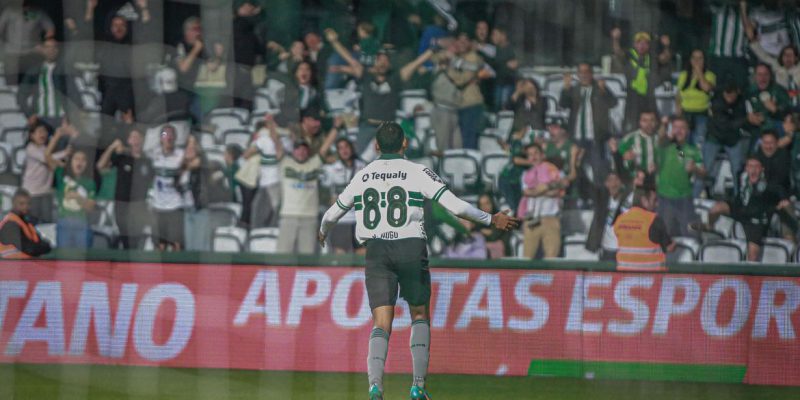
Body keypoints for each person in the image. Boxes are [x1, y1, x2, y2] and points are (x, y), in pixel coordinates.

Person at [318, 122, 519, 400]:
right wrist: (491, 218)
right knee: (420, 315)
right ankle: (418, 386)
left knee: (380, 323)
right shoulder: (417, 171)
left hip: (376, 250)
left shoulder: (362, 176)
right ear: (405, 145)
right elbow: (457, 206)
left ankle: (375, 387)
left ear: (376, 146)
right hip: (410, 247)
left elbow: (331, 215)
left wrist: (323, 233)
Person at [324, 28, 434, 154]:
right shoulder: (365, 76)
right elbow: (350, 60)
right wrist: (334, 42)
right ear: (374, 62)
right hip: (367, 127)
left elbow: (415, 64)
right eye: (379, 59)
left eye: (386, 60)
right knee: (360, 159)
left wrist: (431, 51)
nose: (382, 63)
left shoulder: (395, 79)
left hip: (388, 129)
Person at [697, 157, 791, 261]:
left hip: (756, 218)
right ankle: (709, 226)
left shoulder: (768, 184)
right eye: (750, 166)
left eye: (756, 167)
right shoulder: (741, 177)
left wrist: (784, 199)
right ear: (746, 168)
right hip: (740, 208)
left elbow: (779, 190)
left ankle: (749, 275)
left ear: (762, 169)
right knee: (715, 208)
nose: (753, 170)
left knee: (753, 253)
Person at [96, 128, 154, 250]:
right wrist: (112, 147)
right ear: (128, 141)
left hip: (139, 205)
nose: (135, 140)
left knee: (137, 237)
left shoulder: (147, 161)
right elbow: (100, 166)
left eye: (138, 137)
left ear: (143, 140)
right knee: (124, 234)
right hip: (122, 204)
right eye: (133, 137)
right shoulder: (122, 157)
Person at [610, 28, 673, 131]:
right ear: (635, 44)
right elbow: (617, 52)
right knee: (631, 127)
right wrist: (616, 40)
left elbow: (665, 58)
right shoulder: (629, 55)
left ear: (648, 46)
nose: (642, 46)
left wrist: (666, 46)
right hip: (632, 98)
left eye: (645, 43)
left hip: (649, 97)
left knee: (652, 126)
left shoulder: (652, 58)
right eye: (639, 43)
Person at [656, 117, 705, 237]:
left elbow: (703, 173)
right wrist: (664, 123)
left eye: (682, 128)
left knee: (691, 234)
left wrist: (695, 168)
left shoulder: (693, 151)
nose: (679, 131)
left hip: (685, 198)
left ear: (688, 131)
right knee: (664, 234)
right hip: (664, 197)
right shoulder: (663, 147)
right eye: (676, 128)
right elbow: (659, 138)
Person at [517, 143, 565, 259]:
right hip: (531, 219)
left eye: (535, 153)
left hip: (550, 219)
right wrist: (546, 188)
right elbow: (527, 193)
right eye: (530, 155)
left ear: (542, 155)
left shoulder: (553, 170)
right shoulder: (525, 175)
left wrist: (541, 189)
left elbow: (557, 191)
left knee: (552, 258)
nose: (533, 157)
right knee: (527, 258)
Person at [16, 39, 76, 130]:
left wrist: (70, 117)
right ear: (42, 50)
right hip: (40, 118)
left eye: (53, 47)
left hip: (61, 118)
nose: (50, 50)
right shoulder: (34, 71)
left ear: (57, 50)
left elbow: (74, 94)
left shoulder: (65, 71)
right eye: (47, 47)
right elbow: (21, 95)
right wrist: (29, 114)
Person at [276, 139, 323, 255]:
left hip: (310, 217)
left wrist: (336, 128)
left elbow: (324, 149)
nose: (301, 152)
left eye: (304, 149)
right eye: (298, 149)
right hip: (288, 216)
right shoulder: (285, 162)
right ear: (293, 151)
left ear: (308, 152)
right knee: (282, 256)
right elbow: (277, 144)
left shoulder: (314, 163)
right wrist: (271, 123)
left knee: (307, 256)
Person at [321, 137, 367, 254]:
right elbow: (322, 191)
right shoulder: (331, 169)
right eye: (340, 148)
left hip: (359, 220)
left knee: (362, 255)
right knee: (340, 256)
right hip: (340, 221)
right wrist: (328, 199)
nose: (344, 150)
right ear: (337, 152)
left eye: (346, 147)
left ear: (351, 148)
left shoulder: (363, 167)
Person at [47, 145, 96, 249]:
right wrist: (65, 153)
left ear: (87, 164)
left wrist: (78, 197)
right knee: (64, 259)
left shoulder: (90, 183)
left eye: (83, 160)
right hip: (64, 222)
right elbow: (47, 156)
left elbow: (90, 208)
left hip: (82, 224)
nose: (80, 162)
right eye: (76, 159)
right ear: (71, 161)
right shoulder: (61, 175)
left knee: (83, 261)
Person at [613, 187, 672, 271]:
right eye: (654, 200)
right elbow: (669, 247)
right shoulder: (654, 220)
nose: (657, 204)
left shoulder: (620, 219)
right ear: (644, 200)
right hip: (652, 277)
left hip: (624, 276)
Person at [22, 123, 69, 223]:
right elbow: (46, 158)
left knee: (47, 222)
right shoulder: (30, 148)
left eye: (44, 131)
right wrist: (65, 153)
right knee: (33, 222)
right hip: (32, 192)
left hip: (46, 191)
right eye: (39, 132)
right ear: (32, 136)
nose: (43, 134)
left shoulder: (46, 149)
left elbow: (53, 161)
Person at [0, 2, 55, 85]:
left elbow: (50, 29)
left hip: (31, 53)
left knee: (30, 84)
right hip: (11, 53)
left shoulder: (38, 13)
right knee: (11, 83)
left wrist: (44, 44)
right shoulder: (9, 11)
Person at [705, 83, 748, 187]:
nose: (730, 97)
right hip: (715, 138)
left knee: (737, 170)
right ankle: (699, 197)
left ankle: (739, 198)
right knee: (705, 169)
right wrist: (745, 120)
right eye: (727, 94)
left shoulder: (742, 102)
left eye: (732, 94)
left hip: (733, 140)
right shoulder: (716, 103)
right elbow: (725, 124)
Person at [149, 125, 185, 251]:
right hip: (158, 206)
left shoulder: (181, 155)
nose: (168, 137)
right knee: (159, 244)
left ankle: (178, 269)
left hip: (175, 206)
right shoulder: (154, 154)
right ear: (160, 138)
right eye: (165, 134)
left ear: (175, 137)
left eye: (171, 135)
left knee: (176, 243)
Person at [586, 171, 632, 261]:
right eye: (610, 180)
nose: (613, 183)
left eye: (616, 180)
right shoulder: (602, 202)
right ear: (606, 183)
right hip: (606, 249)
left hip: (623, 249)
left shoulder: (628, 201)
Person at [675, 49, 716, 148]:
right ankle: (682, 161)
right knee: (682, 143)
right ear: (690, 60)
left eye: (700, 58)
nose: (697, 61)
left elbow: (706, 88)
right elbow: (678, 94)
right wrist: (678, 112)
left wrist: (699, 72)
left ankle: (696, 162)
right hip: (685, 113)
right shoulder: (683, 75)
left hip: (701, 114)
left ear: (704, 60)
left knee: (698, 142)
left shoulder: (710, 75)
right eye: (694, 58)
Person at [180, 135, 212, 251]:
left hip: (199, 209)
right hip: (186, 210)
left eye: (193, 146)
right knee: (189, 248)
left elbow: (204, 163)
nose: (190, 148)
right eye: (188, 146)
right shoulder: (182, 168)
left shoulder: (202, 165)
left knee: (200, 248)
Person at [0, 189, 52, 259]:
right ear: (13, 203)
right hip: (13, 266)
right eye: (21, 204)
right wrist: (44, 247)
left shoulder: (25, 222)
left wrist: (45, 246)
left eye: (28, 203)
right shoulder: (10, 224)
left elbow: (39, 241)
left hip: (25, 264)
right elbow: (30, 249)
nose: (26, 207)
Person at [745, 63, 790, 139]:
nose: (762, 78)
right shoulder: (749, 91)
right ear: (755, 76)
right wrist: (749, 118)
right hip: (755, 132)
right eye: (759, 74)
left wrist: (775, 110)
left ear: (770, 76)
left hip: (776, 132)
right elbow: (742, 112)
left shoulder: (779, 91)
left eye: (766, 74)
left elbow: (788, 114)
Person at [619, 111, 659, 180]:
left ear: (656, 122)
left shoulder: (662, 139)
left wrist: (683, 158)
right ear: (640, 122)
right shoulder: (630, 139)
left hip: (657, 180)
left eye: (652, 120)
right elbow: (620, 160)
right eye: (645, 120)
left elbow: (680, 152)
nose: (648, 124)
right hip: (635, 181)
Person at [490, 26, 518, 111]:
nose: (492, 37)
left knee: (505, 107)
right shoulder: (496, 49)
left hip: (507, 84)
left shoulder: (511, 49)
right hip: (498, 83)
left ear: (503, 36)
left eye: (495, 34)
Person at [476, 193, 510, 258]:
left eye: (487, 203)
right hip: (481, 255)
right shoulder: (477, 220)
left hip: (502, 256)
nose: (484, 207)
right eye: (481, 205)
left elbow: (494, 236)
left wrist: (481, 232)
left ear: (492, 203)